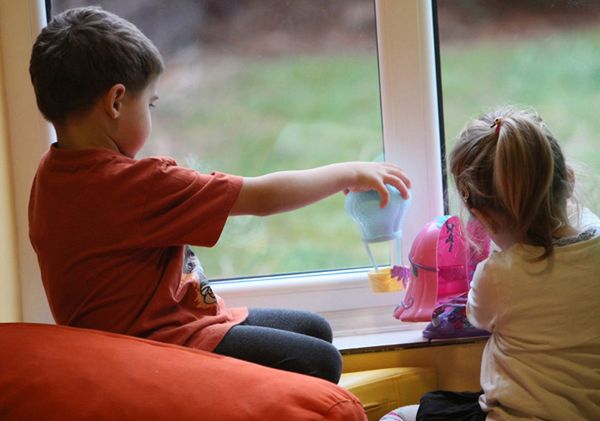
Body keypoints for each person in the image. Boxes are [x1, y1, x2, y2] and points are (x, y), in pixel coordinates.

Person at [27, 6, 411, 385]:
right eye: (150, 104)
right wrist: (348, 172)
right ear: (115, 102)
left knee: (314, 329)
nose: (152, 113)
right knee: (319, 361)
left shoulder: (52, 174)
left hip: (147, 334)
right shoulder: (137, 186)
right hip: (161, 347)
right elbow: (262, 198)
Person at [384, 107, 600, 420]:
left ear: (481, 217)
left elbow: (479, 316)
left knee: (401, 415)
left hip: (515, 414)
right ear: (567, 179)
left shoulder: (500, 273)